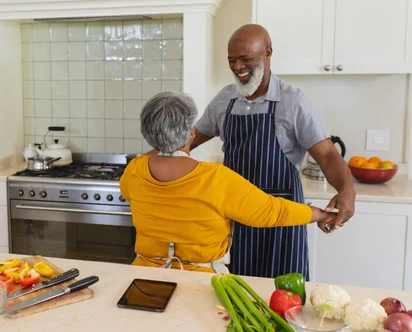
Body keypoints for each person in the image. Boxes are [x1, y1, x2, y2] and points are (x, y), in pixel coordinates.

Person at [191, 24, 355, 279]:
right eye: (232, 61)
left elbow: (327, 155)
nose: (237, 67)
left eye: (246, 59)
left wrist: (347, 190)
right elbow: (192, 138)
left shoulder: (294, 102)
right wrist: (160, 153)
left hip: (283, 217)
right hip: (236, 216)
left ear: (268, 53)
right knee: (236, 296)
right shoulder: (225, 99)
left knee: (285, 295)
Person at [119, 91, 337, 273]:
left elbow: (128, 192)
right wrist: (319, 214)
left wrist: (159, 144)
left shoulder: (135, 170)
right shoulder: (215, 178)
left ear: (148, 134)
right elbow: (272, 211)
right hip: (200, 283)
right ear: (190, 133)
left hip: (144, 277)